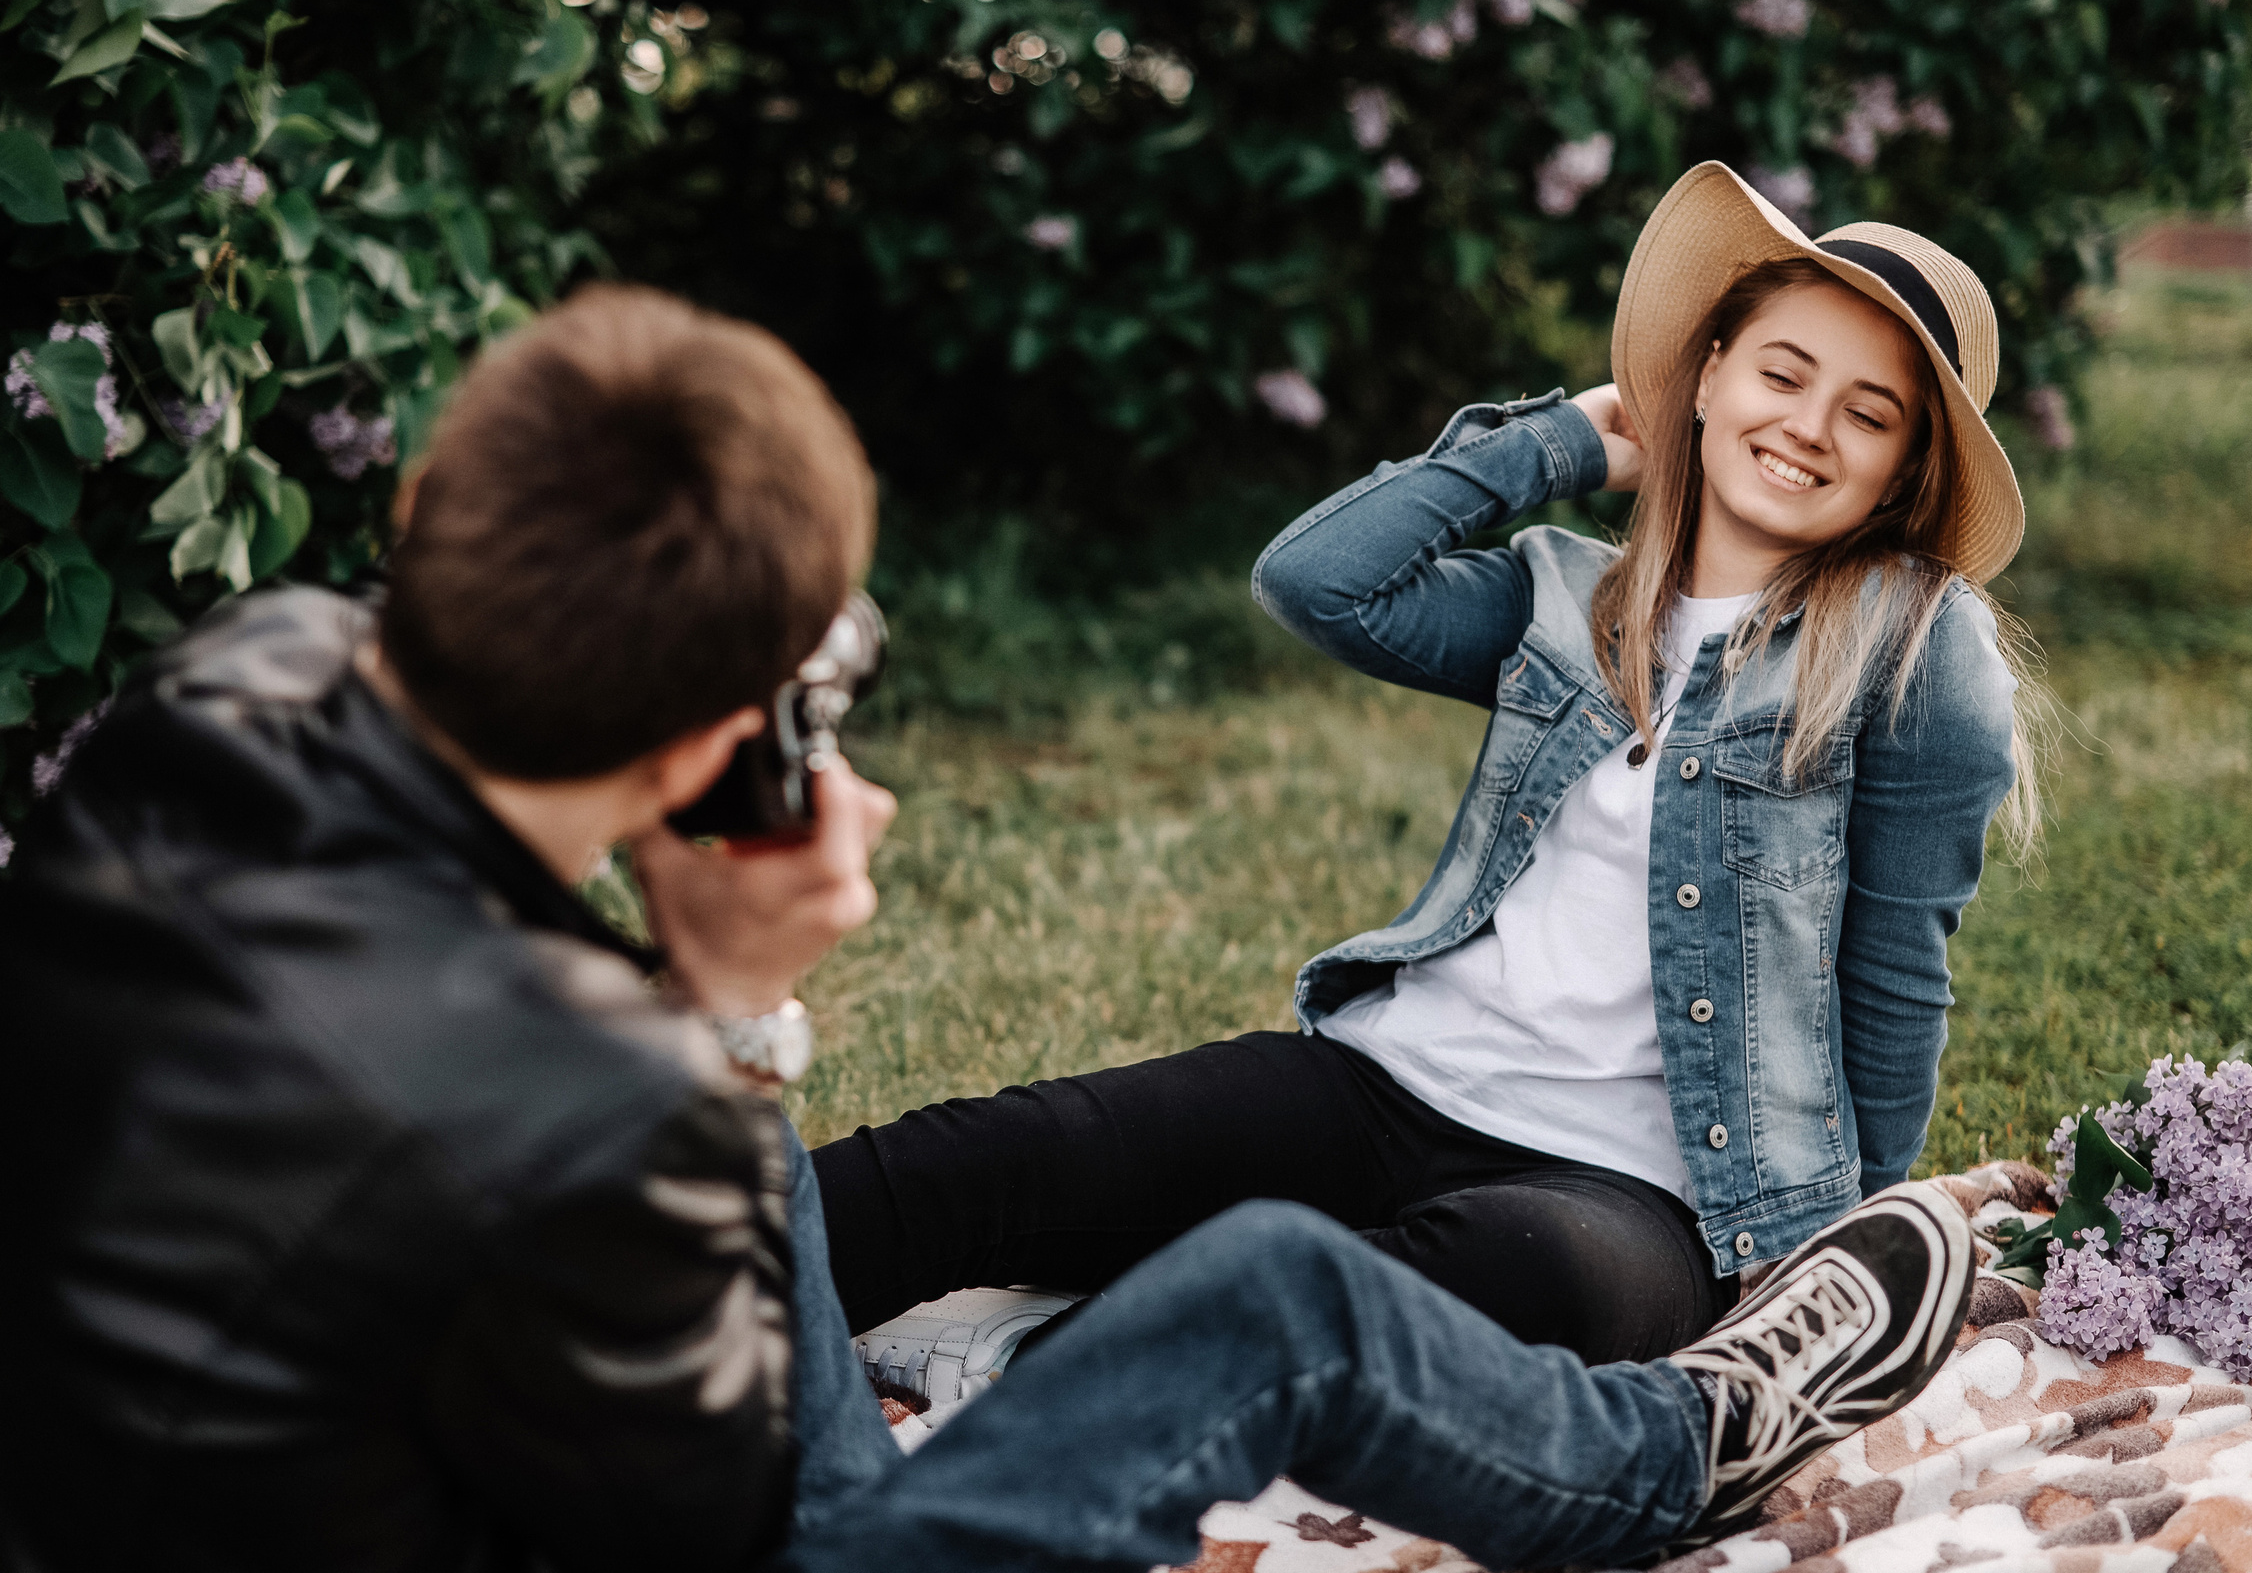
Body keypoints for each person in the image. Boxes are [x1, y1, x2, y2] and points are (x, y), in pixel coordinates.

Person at [0, 280, 1978, 1573]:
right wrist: (726, 1012)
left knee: (1077, 1222)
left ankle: (1644, 1386)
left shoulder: (227, 696)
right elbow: (769, 1523)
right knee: (1272, 1296)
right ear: (723, 738)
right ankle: (1672, 1444)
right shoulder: (598, 1111)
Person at [815, 161, 2046, 1369]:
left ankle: (1035, 1356)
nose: (1809, 427)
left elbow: (1894, 977)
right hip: (1391, 1087)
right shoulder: (1569, 601)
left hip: (1638, 1197)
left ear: (1901, 470)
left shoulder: (1913, 652)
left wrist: (1834, 1265)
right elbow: (1315, 581)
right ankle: (661, 1303)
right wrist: (1555, 443)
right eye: (1783, 371)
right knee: (988, 1155)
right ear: (1709, 373)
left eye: (1868, 413)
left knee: (1459, 1282)